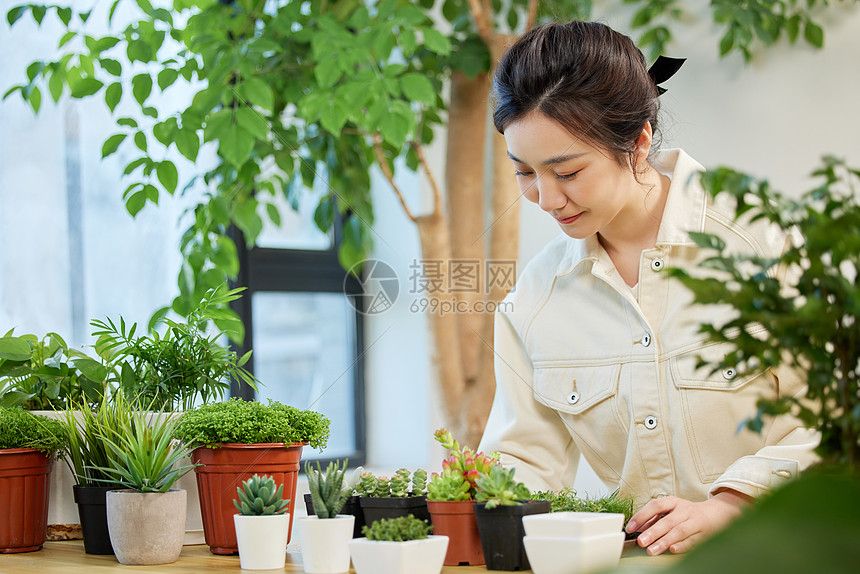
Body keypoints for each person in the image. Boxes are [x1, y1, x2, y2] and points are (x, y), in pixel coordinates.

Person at [478, 20, 819, 556]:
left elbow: (835, 418)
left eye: (566, 172)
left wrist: (731, 505)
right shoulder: (536, 300)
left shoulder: (764, 245)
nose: (544, 198)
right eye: (524, 172)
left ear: (637, 144)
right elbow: (523, 464)